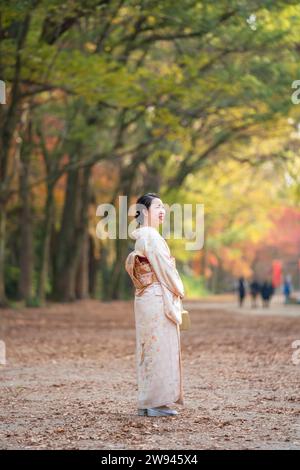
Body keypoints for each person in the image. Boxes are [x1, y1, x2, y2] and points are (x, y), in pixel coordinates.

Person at [125, 193, 185, 417]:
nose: (163, 210)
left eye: (164, 206)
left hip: (147, 296)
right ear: (144, 211)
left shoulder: (145, 236)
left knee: (150, 348)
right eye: (158, 206)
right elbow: (166, 271)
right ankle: (155, 403)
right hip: (156, 296)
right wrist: (180, 289)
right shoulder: (151, 237)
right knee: (159, 348)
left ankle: (148, 402)